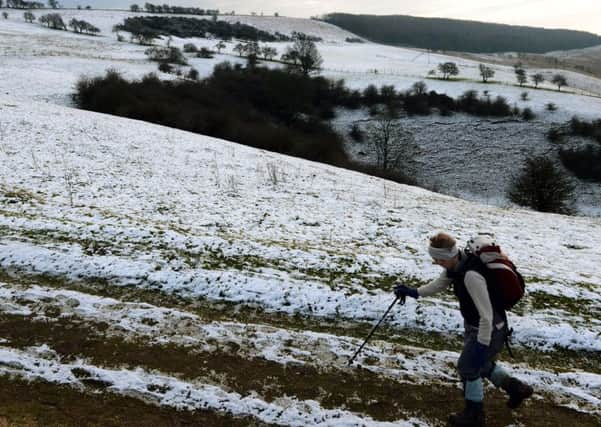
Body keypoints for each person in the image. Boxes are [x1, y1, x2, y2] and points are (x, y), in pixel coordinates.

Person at [394, 232, 533, 427]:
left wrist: (482, 345)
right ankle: (516, 388)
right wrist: (413, 292)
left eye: (438, 259)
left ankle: (474, 416)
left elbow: (487, 315)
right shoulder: (458, 265)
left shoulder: (471, 275)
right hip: (476, 326)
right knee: (479, 365)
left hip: (490, 329)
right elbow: (438, 285)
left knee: (468, 367)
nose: (436, 263)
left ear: (448, 255)